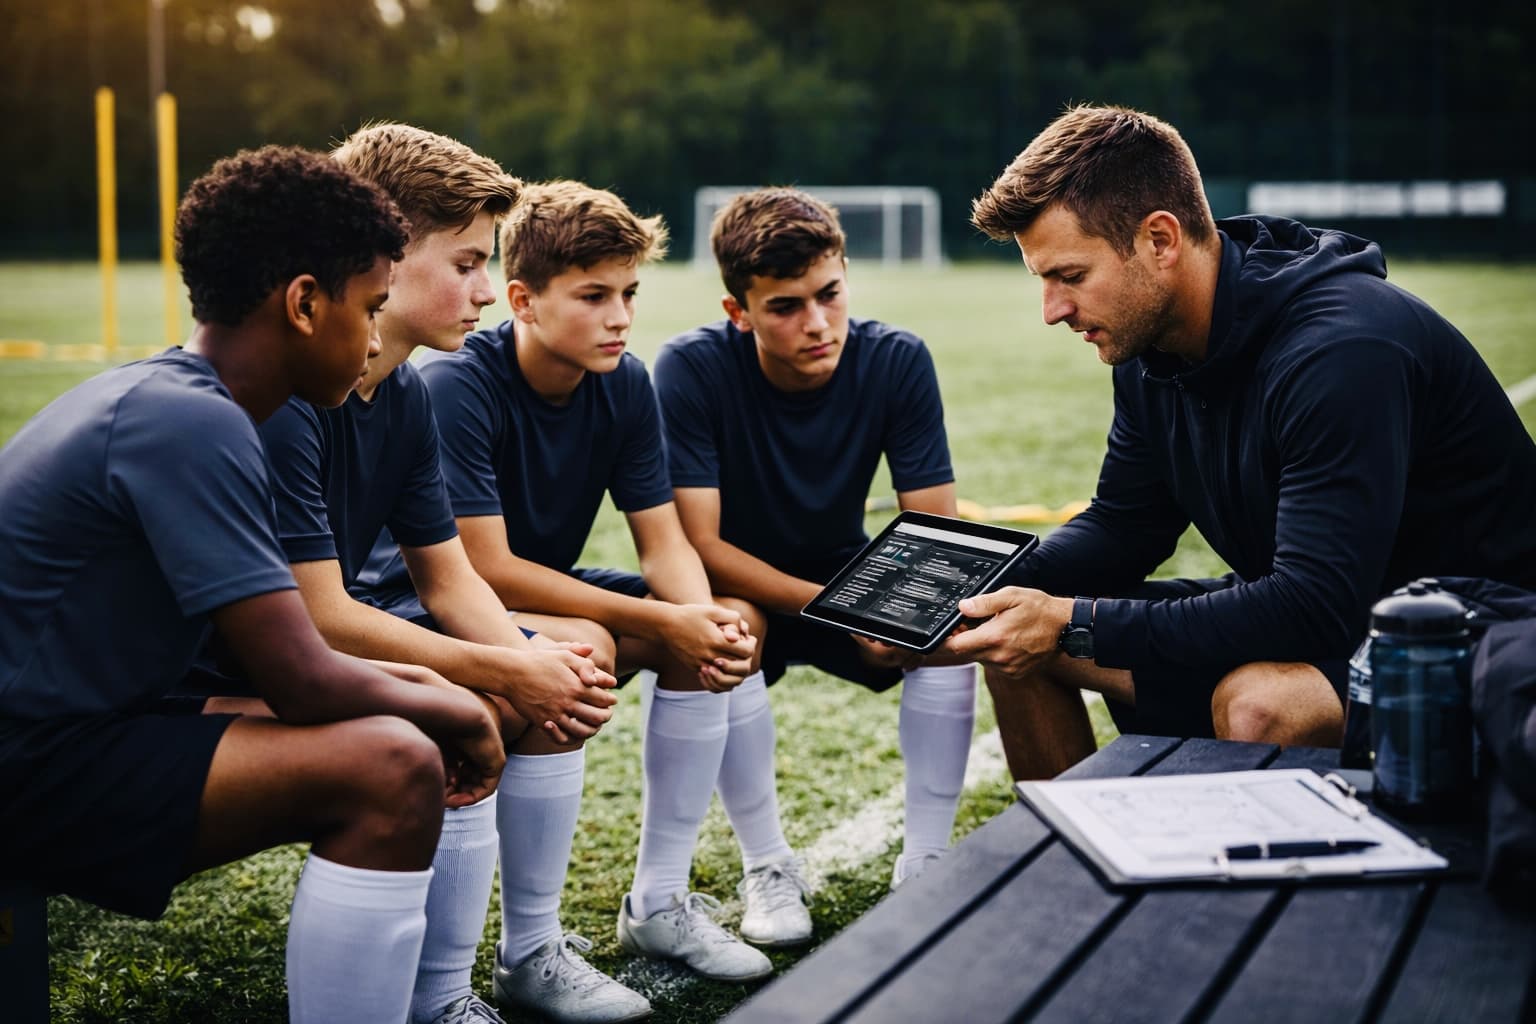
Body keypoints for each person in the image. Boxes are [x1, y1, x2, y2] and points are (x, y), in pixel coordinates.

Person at [0, 146, 508, 1024]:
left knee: (396, 727)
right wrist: (457, 703)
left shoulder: (187, 399)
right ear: (306, 304)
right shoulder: (193, 421)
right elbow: (302, 677)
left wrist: (435, 684)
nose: (376, 335)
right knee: (390, 765)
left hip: (90, 721)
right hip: (32, 758)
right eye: (371, 307)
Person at [952, 103, 1536, 778]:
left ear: (1160, 240)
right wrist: (971, 588)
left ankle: (1246, 883)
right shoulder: (1151, 351)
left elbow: (1312, 605)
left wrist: (1073, 619)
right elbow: (1124, 528)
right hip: (1333, 615)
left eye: (1070, 277)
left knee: (1261, 704)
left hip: (1480, 632)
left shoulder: (1341, 349)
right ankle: (1060, 872)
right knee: (1009, 637)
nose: (1052, 311)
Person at [240, 124, 643, 1024]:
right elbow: (321, 617)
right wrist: (504, 668)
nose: (482, 294)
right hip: (229, 674)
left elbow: (452, 578)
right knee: (473, 703)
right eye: (464, 264)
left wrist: (532, 660)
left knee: (551, 671)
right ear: (382, 255)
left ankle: (517, 960)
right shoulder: (292, 394)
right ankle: (438, 996)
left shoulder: (408, 388)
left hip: (304, 649)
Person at [361, 180, 787, 983]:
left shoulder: (624, 381)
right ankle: (529, 949)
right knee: (588, 644)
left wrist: (697, 620)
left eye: (628, 293)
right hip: (419, 600)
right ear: (521, 299)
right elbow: (483, 567)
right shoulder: (461, 383)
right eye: (593, 296)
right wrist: (660, 622)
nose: (620, 317)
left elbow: (663, 544)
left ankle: (658, 904)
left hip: (538, 588)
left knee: (728, 621)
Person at [652, 187, 980, 890]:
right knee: (727, 633)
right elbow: (701, 545)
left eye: (830, 294)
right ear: (737, 313)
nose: (818, 322)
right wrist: (843, 608)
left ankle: (926, 860)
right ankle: (767, 865)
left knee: (951, 634)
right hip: (736, 582)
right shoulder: (690, 368)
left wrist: (890, 605)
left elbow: (935, 530)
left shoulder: (896, 359)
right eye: (786, 306)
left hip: (839, 569)